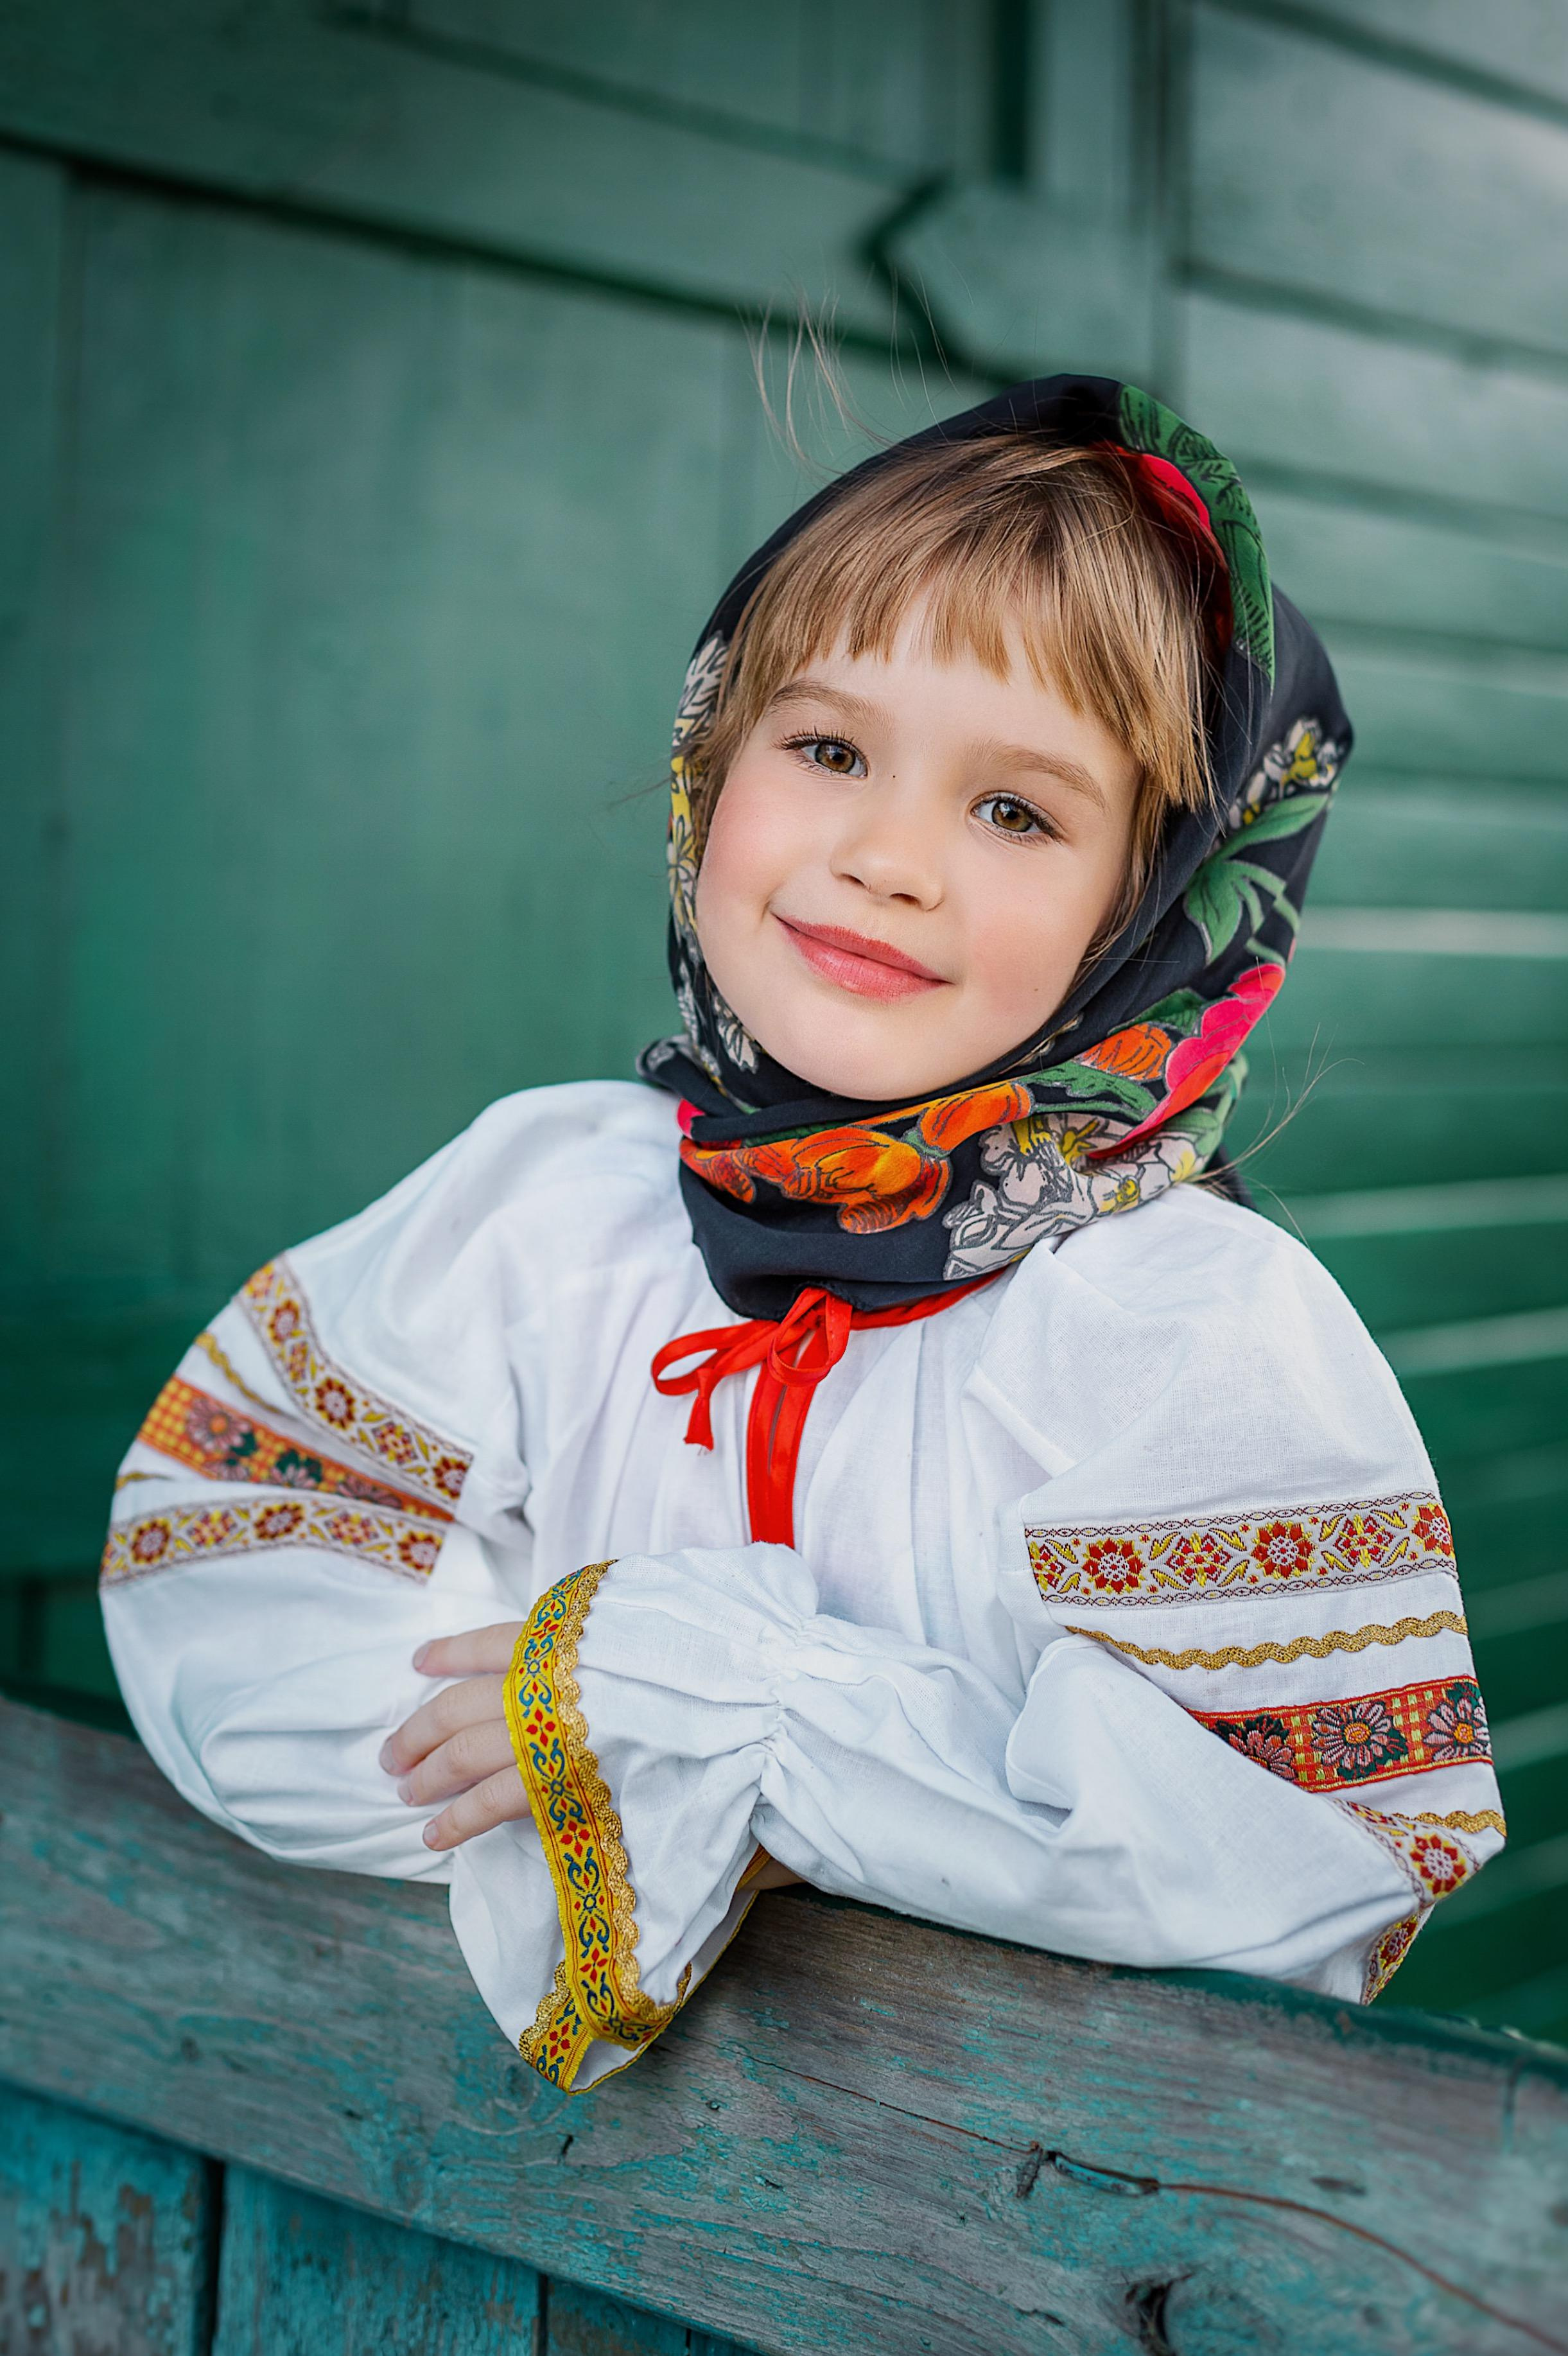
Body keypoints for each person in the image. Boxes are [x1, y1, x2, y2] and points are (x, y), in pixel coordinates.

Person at [101, 376, 1503, 2095]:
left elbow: (1288, 1865)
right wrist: (582, 1769)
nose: (887, 856)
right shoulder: (544, 1209)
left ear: (1156, 906)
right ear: (711, 758)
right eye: (827, 749)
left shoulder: (1186, 1326)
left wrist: (742, 1720)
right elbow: (237, 1571)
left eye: (1017, 811)